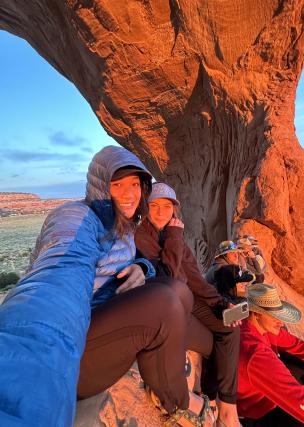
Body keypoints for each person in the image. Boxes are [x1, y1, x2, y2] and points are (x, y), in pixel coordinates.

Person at [0, 146, 211, 427]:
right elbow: (60, 278)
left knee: (177, 290)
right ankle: (178, 403)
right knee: (166, 301)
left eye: (135, 184)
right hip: (72, 355)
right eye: (117, 184)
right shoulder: (76, 218)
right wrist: (25, 362)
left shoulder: (121, 224)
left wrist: (142, 267)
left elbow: (131, 261)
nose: (128, 193)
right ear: (101, 186)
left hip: (98, 329)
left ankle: (174, 363)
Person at [135, 182, 242, 427]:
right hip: (168, 310)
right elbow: (167, 279)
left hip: (189, 302)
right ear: (145, 208)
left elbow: (194, 277)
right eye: (154, 206)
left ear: (174, 209)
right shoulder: (141, 236)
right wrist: (174, 236)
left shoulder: (173, 235)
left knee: (230, 327)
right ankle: (211, 399)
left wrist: (220, 303)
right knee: (213, 343)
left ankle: (225, 406)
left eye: (167, 206)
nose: (161, 212)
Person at [237, 283, 304, 426]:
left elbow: (300, 347)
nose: (281, 322)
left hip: (266, 394)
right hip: (258, 414)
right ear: (256, 313)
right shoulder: (255, 351)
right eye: (274, 316)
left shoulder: (259, 326)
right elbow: (298, 399)